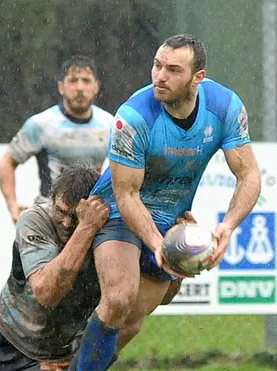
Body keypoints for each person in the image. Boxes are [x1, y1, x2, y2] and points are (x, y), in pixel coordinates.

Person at [69, 34, 262, 371]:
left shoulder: (225, 107)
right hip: (117, 212)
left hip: (171, 219)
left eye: (173, 70)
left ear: (197, 78)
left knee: (131, 321)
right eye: (157, 65)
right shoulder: (132, 116)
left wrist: (228, 227)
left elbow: (249, 176)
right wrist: (158, 243)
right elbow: (127, 194)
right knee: (118, 300)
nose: (160, 76)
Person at [0, 164, 109, 371]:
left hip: (53, 358)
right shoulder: (36, 219)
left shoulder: (108, 236)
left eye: (74, 216)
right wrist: (85, 227)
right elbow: (46, 292)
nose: (65, 223)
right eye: (60, 211)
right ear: (52, 199)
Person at [0, 55, 114, 223]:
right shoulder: (41, 124)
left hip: (91, 215)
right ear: (61, 87)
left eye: (86, 81)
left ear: (96, 87)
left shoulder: (110, 124)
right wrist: (12, 205)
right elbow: (7, 163)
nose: (80, 87)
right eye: (73, 80)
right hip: (49, 215)